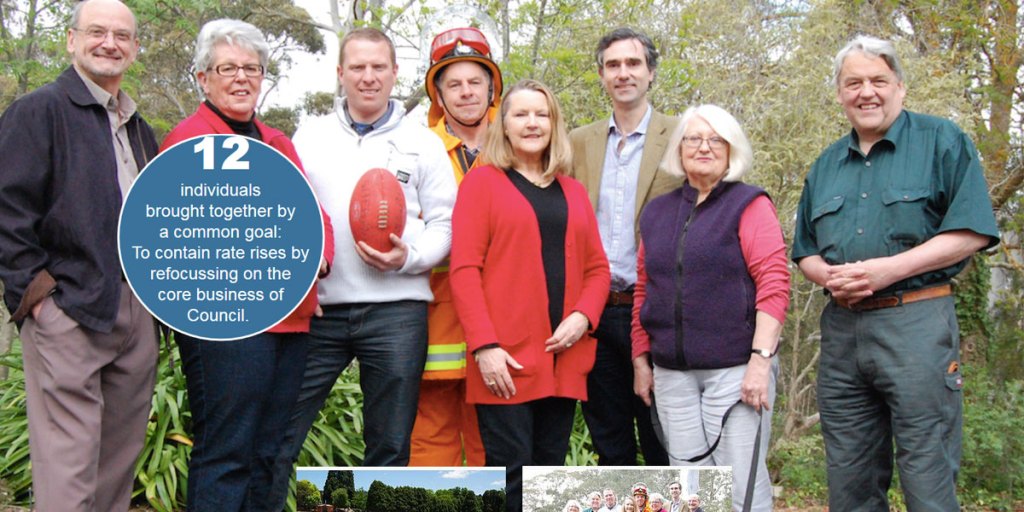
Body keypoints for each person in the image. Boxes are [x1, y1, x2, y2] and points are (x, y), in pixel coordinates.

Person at [792, 35, 999, 511]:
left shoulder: (941, 141)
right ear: (841, 94)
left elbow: (971, 232)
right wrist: (827, 276)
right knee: (849, 481)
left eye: (878, 80)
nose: (867, 92)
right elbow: (804, 251)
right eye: (854, 83)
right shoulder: (825, 165)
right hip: (843, 333)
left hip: (917, 326)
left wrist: (888, 270)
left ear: (900, 87)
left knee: (927, 474)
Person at [158, 19, 334, 511]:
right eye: (227, 68)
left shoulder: (278, 142)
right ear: (202, 78)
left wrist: (318, 258)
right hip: (226, 326)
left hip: (290, 323)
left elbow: (313, 217)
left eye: (251, 68)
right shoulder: (187, 141)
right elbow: (176, 234)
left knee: (270, 452)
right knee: (228, 450)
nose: (241, 78)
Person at [271, 26, 456, 493]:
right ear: (340, 73)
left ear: (396, 73)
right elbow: (286, 214)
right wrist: (298, 284)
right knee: (278, 433)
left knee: (390, 443)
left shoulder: (425, 142)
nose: (368, 77)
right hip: (319, 311)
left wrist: (409, 257)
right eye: (357, 67)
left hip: (397, 312)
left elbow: (445, 225)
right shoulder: (309, 136)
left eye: (378, 67)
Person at [0, 1, 158, 510]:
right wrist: (39, 300)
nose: (109, 43)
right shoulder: (38, 111)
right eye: (96, 32)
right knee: (68, 469)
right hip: (68, 311)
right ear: (72, 40)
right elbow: (7, 209)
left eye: (120, 36)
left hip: (134, 310)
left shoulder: (138, 126)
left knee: (117, 461)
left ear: (133, 49)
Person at [450, 79, 610, 512]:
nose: (532, 122)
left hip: (562, 358)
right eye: (521, 114)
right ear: (504, 125)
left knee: (547, 479)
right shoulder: (482, 184)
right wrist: (485, 346)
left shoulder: (573, 191)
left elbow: (597, 269)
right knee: (511, 478)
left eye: (541, 114)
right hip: (507, 360)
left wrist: (583, 316)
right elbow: (463, 271)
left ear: (554, 124)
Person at [631, 104, 790, 512]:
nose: (704, 147)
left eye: (715, 139)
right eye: (694, 138)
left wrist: (760, 361)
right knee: (691, 494)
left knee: (740, 492)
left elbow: (773, 285)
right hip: (672, 376)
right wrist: (640, 359)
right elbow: (645, 288)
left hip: (736, 372)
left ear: (731, 149)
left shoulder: (749, 204)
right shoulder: (657, 212)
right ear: (679, 148)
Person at [568, 27, 678, 466]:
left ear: (650, 72)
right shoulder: (578, 141)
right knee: (608, 440)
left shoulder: (683, 135)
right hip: (594, 311)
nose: (623, 73)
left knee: (662, 440)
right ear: (601, 74)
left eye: (633, 64)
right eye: (613, 65)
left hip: (653, 311)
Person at [410, 26, 503, 467]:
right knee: (429, 447)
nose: (466, 93)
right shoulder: (413, 150)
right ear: (438, 94)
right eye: (454, 84)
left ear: (491, 89)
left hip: (504, 326)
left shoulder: (521, 145)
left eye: (475, 82)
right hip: (435, 325)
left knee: (498, 448)